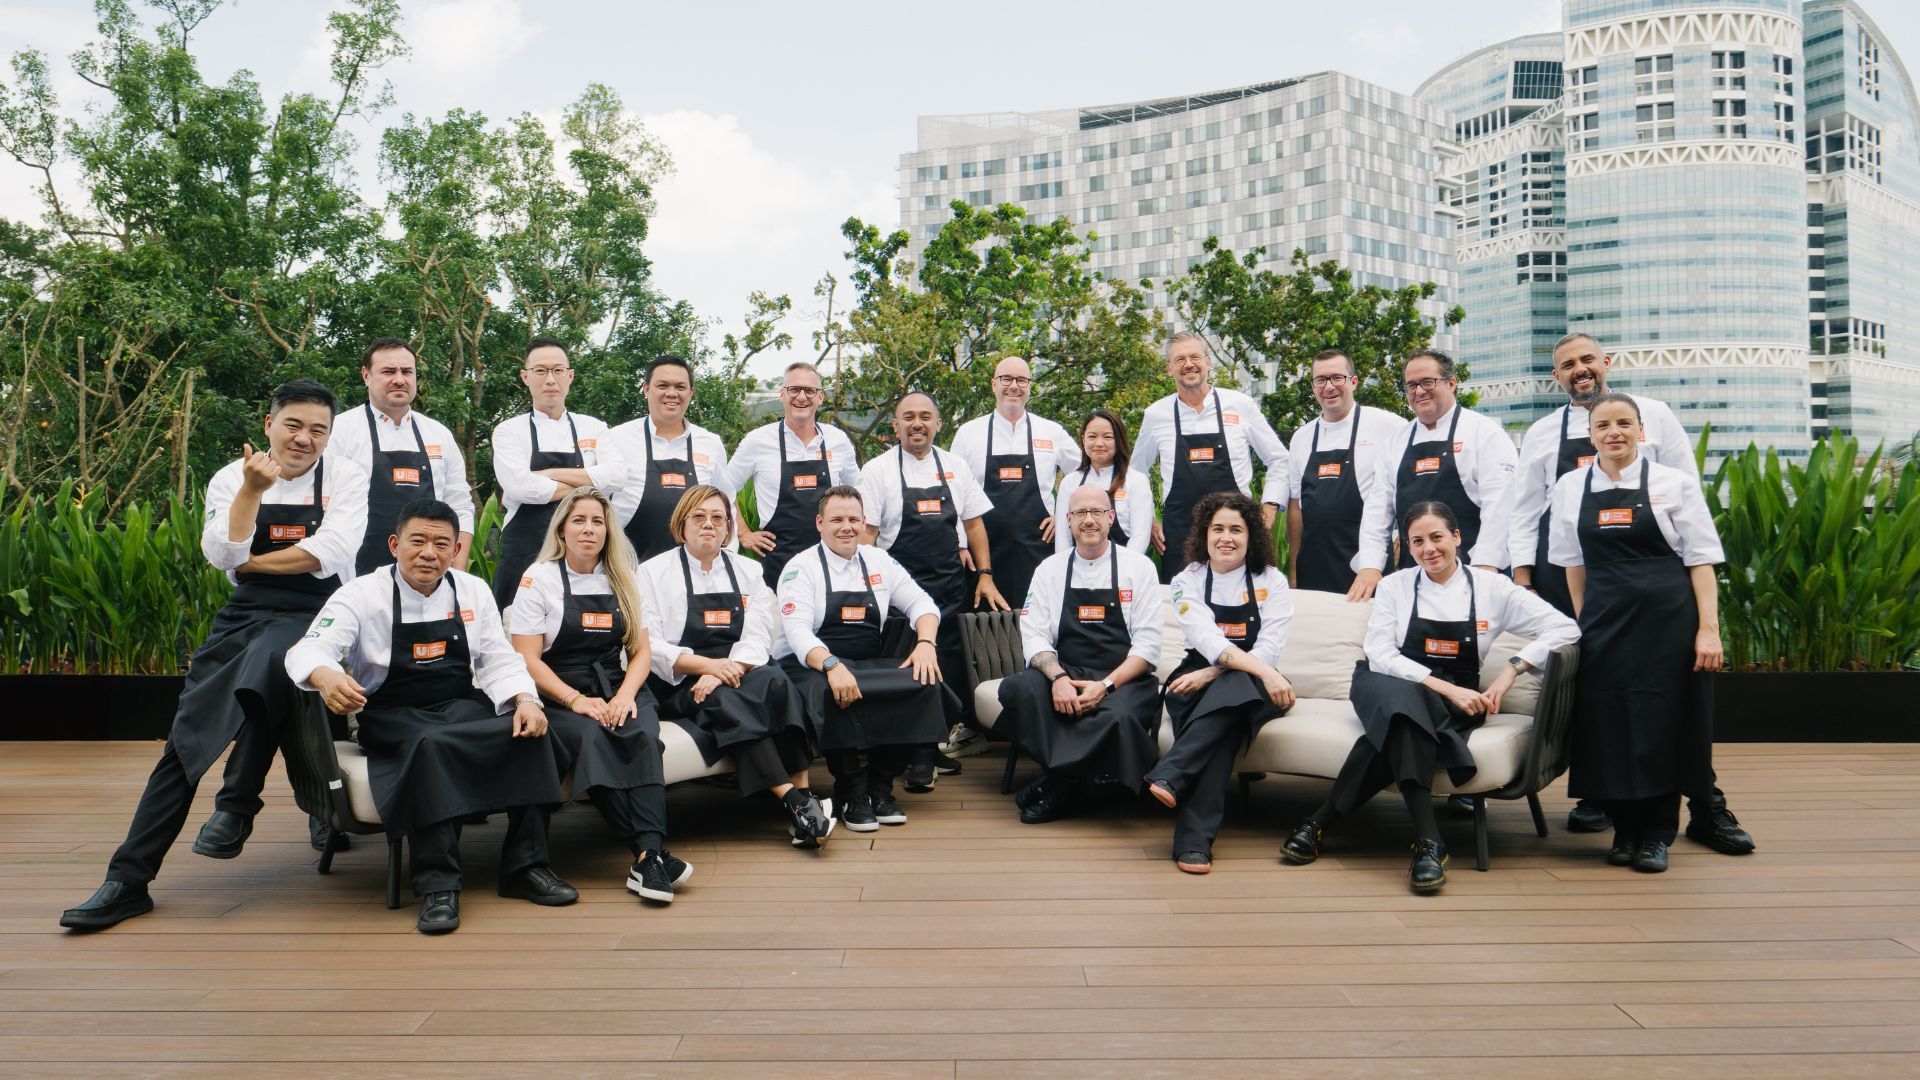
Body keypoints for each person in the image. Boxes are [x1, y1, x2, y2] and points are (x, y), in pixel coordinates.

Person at [61, 380, 370, 931]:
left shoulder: (345, 476)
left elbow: (328, 555)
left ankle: (236, 805)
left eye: (318, 430)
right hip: (244, 616)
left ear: (330, 436)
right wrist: (252, 493)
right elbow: (220, 555)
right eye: (293, 425)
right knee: (187, 738)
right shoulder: (232, 477)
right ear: (269, 423)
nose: (304, 438)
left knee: (280, 654)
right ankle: (129, 879)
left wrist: (250, 560)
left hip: (321, 615)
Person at [1503, 334, 1753, 851]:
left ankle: (1699, 812)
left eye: (1588, 360)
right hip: (1595, 597)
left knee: (1675, 713)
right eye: (1568, 364)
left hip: (1665, 603)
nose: (1580, 370)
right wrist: (1536, 588)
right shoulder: (1552, 447)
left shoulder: (1662, 436)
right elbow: (1531, 519)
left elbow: (1696, 541)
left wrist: (1708, 627)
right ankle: (1616, 814)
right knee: (1604, 711)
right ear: (1558, 376)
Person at [287, 499, 578, 934]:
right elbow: (307, 649)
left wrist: (525, 700)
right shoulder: (360, 594)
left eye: (442, 543)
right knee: (432, 745)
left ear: (455, 548)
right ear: (394, 544)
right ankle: (438, 885)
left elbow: (499, 659)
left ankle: (525, 867)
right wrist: (326, 675)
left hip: (459, 703)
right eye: (418, 541)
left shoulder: (471, 590)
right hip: (392, 712)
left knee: (533, 734)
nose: (429, 553)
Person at [1282, 501, 1577, 891]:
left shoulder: (1494, 588)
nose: (1428, 549)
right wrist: (1445, 688)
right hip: (1384, 681)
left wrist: (1511, 671)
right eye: (1417, 541)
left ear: (1457, 537)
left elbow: (1565, 628)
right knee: (1404, 705)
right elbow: (1382, 655)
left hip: (1450, 693)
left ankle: (1318, 822)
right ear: (1407, 547)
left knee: (1403, 723)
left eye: (1437, 537)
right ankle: (1427, 841)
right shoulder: (1394, 585)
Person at [1550, 394, 1730, 874]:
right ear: (1590, 435)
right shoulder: (1570, 487)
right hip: (1605, 624)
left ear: (1640, 430)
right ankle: (1624, 829)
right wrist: (1587, 621)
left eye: (1624, 423)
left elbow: (1700, 561)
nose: (1614, 432)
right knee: (1608, 724)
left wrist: (1707, 631)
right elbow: (1572, 564)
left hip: (1670, 622)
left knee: (1664, 722)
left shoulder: (1672, 483)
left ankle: (1656, 834)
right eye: (1603, 425)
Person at [509, 487, 691, 903]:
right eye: (579, 520)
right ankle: (651, 855)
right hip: (558, 690)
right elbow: (527, 659)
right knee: (594, 737)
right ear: (562, 529)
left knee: (642, 735)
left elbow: (641, 651)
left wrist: (627, 695)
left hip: (617, 685)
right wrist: (575, 701)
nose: (589, 529)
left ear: (609, 530)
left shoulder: (624, 577)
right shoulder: (538, 578)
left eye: (597, 521)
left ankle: (648, 856)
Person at [637, 484, 831, 849]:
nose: (709, 525)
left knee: (776, 681)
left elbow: (760, 631)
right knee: (726, 702)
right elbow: (651, 644)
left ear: (728, 527)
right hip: (683, 678)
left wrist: (727, 669)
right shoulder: (651, 573)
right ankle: (797, 803)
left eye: (718, 518)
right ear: (682, 526)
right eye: (699, 517)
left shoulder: (747, 570)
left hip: (739, 666)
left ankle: (802, 794)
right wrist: (707, 668)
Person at [775, 485, 958, 833]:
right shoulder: (800, 568)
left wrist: (926, 644)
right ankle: (851, 791)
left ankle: (880, 784)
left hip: (868, 660)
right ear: (819, 523)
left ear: (863, 522)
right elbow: (797, 633)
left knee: (925, 684)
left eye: (853, 519)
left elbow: (923, 605)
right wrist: (831, 665)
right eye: (837, 519)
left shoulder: (879, 560)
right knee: (830, 691)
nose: (846, 527)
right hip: (809, 664)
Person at [856, 391, 1007, 790]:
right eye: (908, 417)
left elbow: (974, 525)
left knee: (950, 666)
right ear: (896, 425)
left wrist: (986, 574)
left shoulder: (955, 467)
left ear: (939, 424)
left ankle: (927, 744)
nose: (917, 423)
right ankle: (917, 755)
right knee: (908, 668)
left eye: (925, 416)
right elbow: (867, 538)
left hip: (948, 586)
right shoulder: (877, 470)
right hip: (898, 592)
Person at [1144, 492, 1295, 874]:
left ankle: (1173, 775)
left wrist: (1216, 672)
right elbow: (1207, 640)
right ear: (1204, 534)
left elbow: (1269, 648)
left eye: (1236, 530)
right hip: (1197, 673)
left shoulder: (1272, 581)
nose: (1226, 538)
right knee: (1225, 725)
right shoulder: (1186, 581)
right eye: (1218, 529)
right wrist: (1219, 668)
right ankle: (1193, 842)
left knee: (1234, 693)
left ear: (1251, 537)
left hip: (1257, 675)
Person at [996, 485, 1165, 825]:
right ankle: (1076, 780)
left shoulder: (1140, 567)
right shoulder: (1050, 569)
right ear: (1068, 521)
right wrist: (1057, 678)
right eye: (1081, 514)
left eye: (1097, 512)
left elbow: (1147, 647)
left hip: (1121, 677)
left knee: (1118, 718)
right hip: (1066, 668)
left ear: (1111, 518)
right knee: (1017, 689)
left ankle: (1062, 783)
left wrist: (1104, 686)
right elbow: (1034, 632)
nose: (1089, 520)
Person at [1352, 350, 1516, 592]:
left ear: (1451, 384)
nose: (1419, 391)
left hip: (1474, 569)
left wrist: (1487, 565)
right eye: (1411, 385)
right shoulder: (1396, 442)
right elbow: (1377, 510)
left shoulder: (1483, 432)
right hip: (1414, 573)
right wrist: (1370, 566)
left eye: (1428, 382)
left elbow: (1501, 506)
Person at [1135, 332, 1291, 584]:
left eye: (1195, 357)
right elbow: (1135, 472)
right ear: (1169, 369)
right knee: (1183, 612)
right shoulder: (1156, 415)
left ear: (1208, 361)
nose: (1188, 364)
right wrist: (1148, 520)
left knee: (1241, 610)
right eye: (1180, 359)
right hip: (1180, 535)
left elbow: (1279, 459)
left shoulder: (1241, 405)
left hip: (1236, 533)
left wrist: (1270, 506)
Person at [489, 338, 622, 609]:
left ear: (570, 376)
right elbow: (521, 488)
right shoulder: (508, 431)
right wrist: (589, 487)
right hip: (525, 556)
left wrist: (548, 472)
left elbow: (618, 476)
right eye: (540, 371)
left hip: (583, 562)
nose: (550, 379)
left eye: (558, 370)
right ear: (525, 377)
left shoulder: (594, 428)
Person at [326, 337, 477, 576]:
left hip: (428, 574)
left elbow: (459, 504)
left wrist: (456, 569)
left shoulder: (438, 434)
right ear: (366, 376)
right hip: (353, 575)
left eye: (407, 371)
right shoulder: (338, 430)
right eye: (388, 371)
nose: (399, 379)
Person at [948, 355, 1082, 611]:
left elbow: (1084, 474)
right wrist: (960, 542)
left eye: (1022, 380)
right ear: (993, 384)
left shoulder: (1051, 431)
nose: (1014, 386)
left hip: (1037, 548)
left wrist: (1065, 514)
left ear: (1030, 386)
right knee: (986, 633)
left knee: (1036, 620)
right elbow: (954, 492)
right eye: (1006, 379)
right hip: (984, 551)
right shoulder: (969, 433)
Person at [724, 361, 859, 588]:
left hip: (832, 564)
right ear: (782, 395)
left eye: (809, 391)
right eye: (794, 390)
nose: (801, 397)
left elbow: (859, 493)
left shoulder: (838, 441)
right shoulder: (758, 441)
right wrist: (744, 533)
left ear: (820, 397)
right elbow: (721, 490)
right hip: (778, 565)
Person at [1284, 349, 1402, 598]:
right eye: (1321, 380)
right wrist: (1294, 567)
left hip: (1367, 565)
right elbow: (1296, 506)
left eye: (1337, 378)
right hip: (1314, 567)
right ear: (1313, 386)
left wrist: (1402, 534)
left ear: (1354, 382)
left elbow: (1412, 482)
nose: (1329, 387)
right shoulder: (1301, 437)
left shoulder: (1387, 425)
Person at [604, 354, 732, 563]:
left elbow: (727, 504)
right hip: (628, 569)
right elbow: (596, 500)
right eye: (663, 385)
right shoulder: (616, 439)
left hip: (695, 572)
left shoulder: (710, 443)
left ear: (691, 392)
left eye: (680, 387)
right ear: (646, 389)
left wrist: (727, 555)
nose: (671, 393)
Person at [1051, 409, 1153, 556]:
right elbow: (1063, 539)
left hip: (1123, 569)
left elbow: (1140, 537)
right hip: (1079, 569)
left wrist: (1123, 570)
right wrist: (1067, 569)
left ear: (1119, 440)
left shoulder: (1136, 481)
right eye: (1092, 436)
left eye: (1107, 437)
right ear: (1083, 440)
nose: (1099, 443)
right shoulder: (1070, 483)